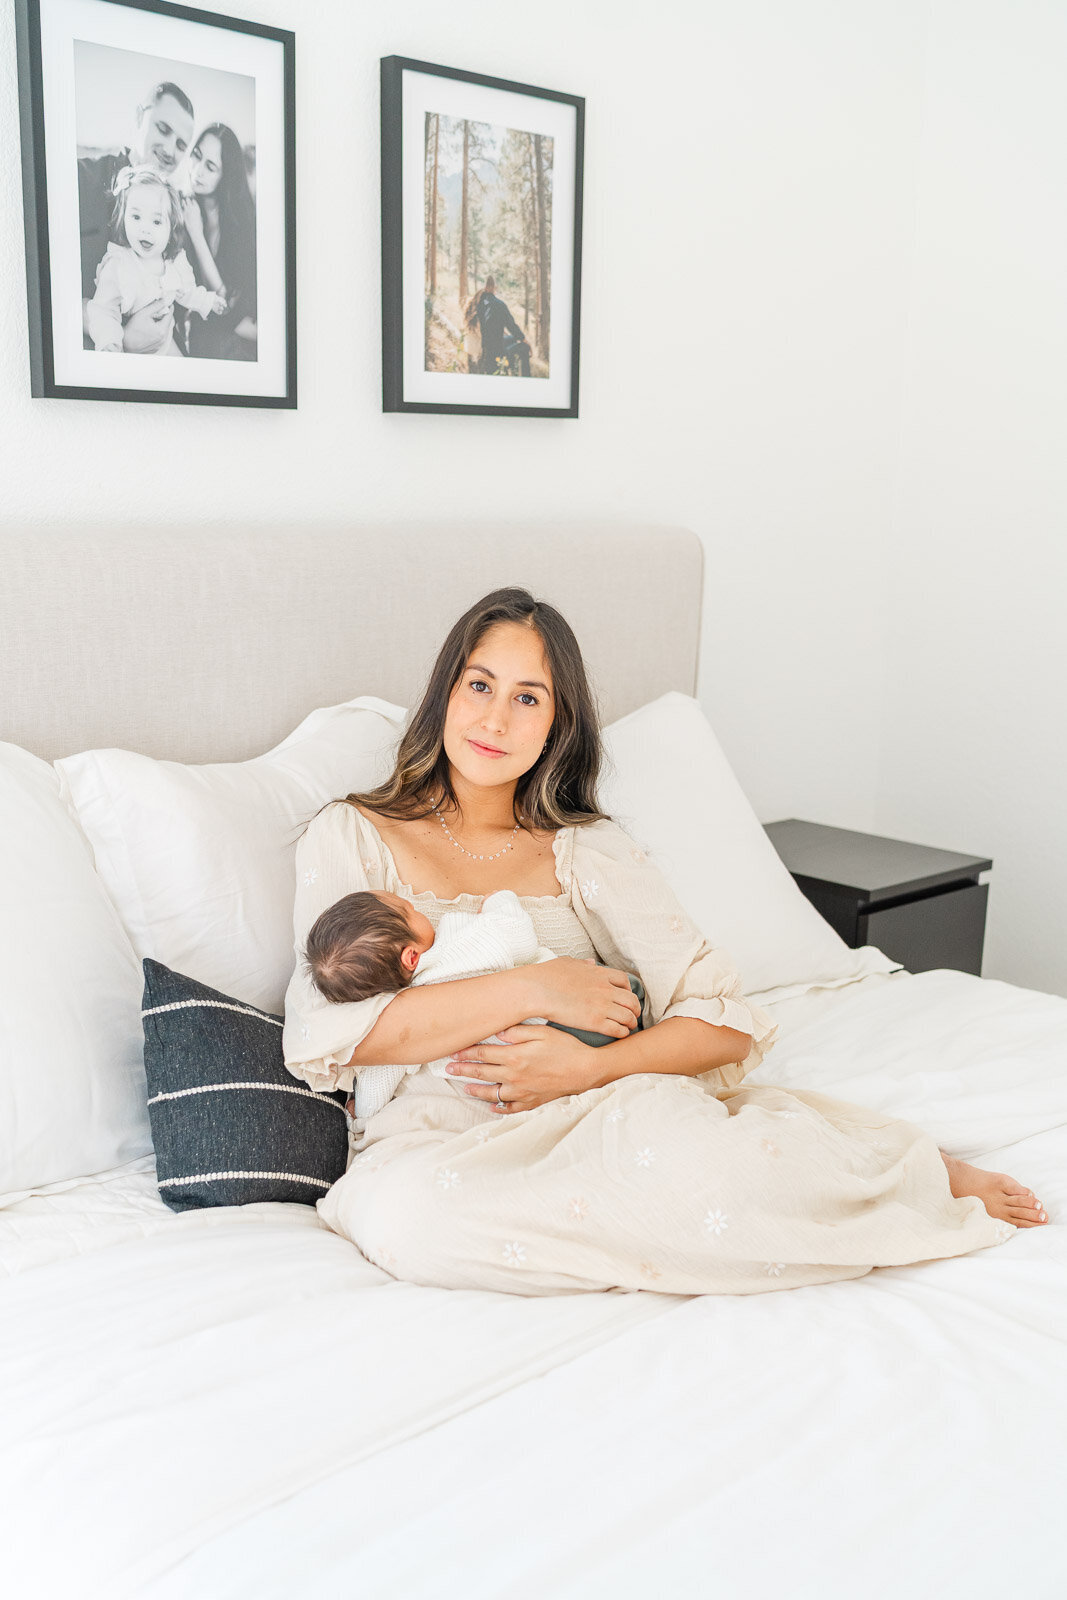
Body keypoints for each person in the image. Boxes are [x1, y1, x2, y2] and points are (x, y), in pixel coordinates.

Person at [283, 588, 1048, 1296]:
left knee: (702, 1166)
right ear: (444, 691)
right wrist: (536, 987)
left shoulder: (587, 852)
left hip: (597, 1116)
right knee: (411, 1225)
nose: (495, 720)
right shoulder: (353, 838)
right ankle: (665, 1229)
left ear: (558, 724)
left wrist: (590, 1067)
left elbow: (721, 1022)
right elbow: (334, 1035)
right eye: (479, 686)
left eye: (528, 699)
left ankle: (900, 1173)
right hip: (435, 1148)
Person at [305, 886, 562, 1137]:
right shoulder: (457, 945)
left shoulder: (399, 1028)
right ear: (411, 957)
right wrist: (500, 901)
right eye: (410, 910)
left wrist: (359, 1115)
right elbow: (521, 938)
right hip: (560, 1014)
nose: (415, 907)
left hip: (519, 1075)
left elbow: (376, 1083)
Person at [79, 81, 195, 351]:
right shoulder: (81, 179)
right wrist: (121, 335)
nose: (169, 149)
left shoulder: (175, 213)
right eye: (163, 129)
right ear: (139, 116)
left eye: (180, 144)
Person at [86, 167, 225, 355]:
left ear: (171, 228)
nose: (145, 229)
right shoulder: (118, 265)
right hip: (131, 346)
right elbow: (103, 310)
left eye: (157, 221)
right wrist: (110, 341)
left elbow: (186, 292)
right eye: (136, 217)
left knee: (182, 373)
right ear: (123, 218)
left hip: (165, 342)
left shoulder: (173, 263)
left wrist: (208, 302)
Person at [180, 123, 257, 360]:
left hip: (235, 343)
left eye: (210, 166)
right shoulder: (186, 207)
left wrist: (196, 234)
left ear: (226, 175)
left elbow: (226, 304)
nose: (198, 171)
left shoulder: (242, 224)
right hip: (201, 334)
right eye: (197, 156)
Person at [465, 276, 531, 375]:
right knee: (524, 347)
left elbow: (488, 324)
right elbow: (512, 326)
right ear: (494, 288)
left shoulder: (477, 303)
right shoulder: (499, 305)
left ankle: (513, 368)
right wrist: (524, 339)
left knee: (512, 338)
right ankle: (525, 379)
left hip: (483, 350)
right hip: (497, 354)